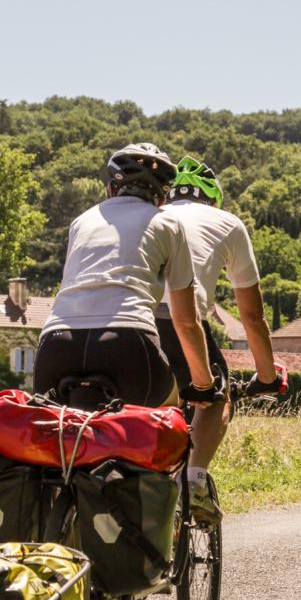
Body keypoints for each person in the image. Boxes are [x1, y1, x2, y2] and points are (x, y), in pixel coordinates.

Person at [34, 143, 221, 410]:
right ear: (162, 199)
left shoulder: (81, 221)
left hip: (56, 346)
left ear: (110, 189)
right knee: (172, 410)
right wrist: (203, 386)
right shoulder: (168, 223)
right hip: (128, 344)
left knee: (57, 431)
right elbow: (186, 321)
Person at [157, 157, 279, 523]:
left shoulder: (152, 217)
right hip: (184, 324)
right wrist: (268, 377)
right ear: (213, 199)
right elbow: (252, 318)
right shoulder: (228, 223)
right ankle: (194, 479)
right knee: (215, 399)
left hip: (131, 323)